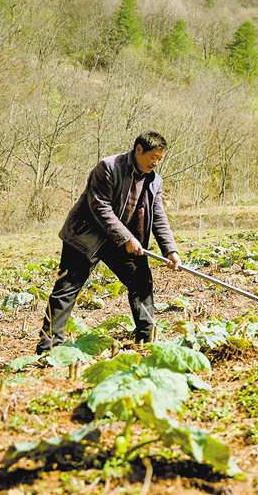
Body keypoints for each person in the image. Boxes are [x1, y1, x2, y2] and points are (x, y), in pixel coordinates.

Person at [37, 131, 181, 353]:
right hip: (85, 236)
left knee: (141, 281)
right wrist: (127, 238)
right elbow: (100, 207)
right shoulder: (109, 167)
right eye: (153, 157)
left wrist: (170, 250)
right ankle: (48, 347)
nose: (156, 163)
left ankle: (145, 339)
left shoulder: (154, 181)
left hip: (119, 241)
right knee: (67, 288)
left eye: (160, 159)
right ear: (138, 150)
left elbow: (158, 216)